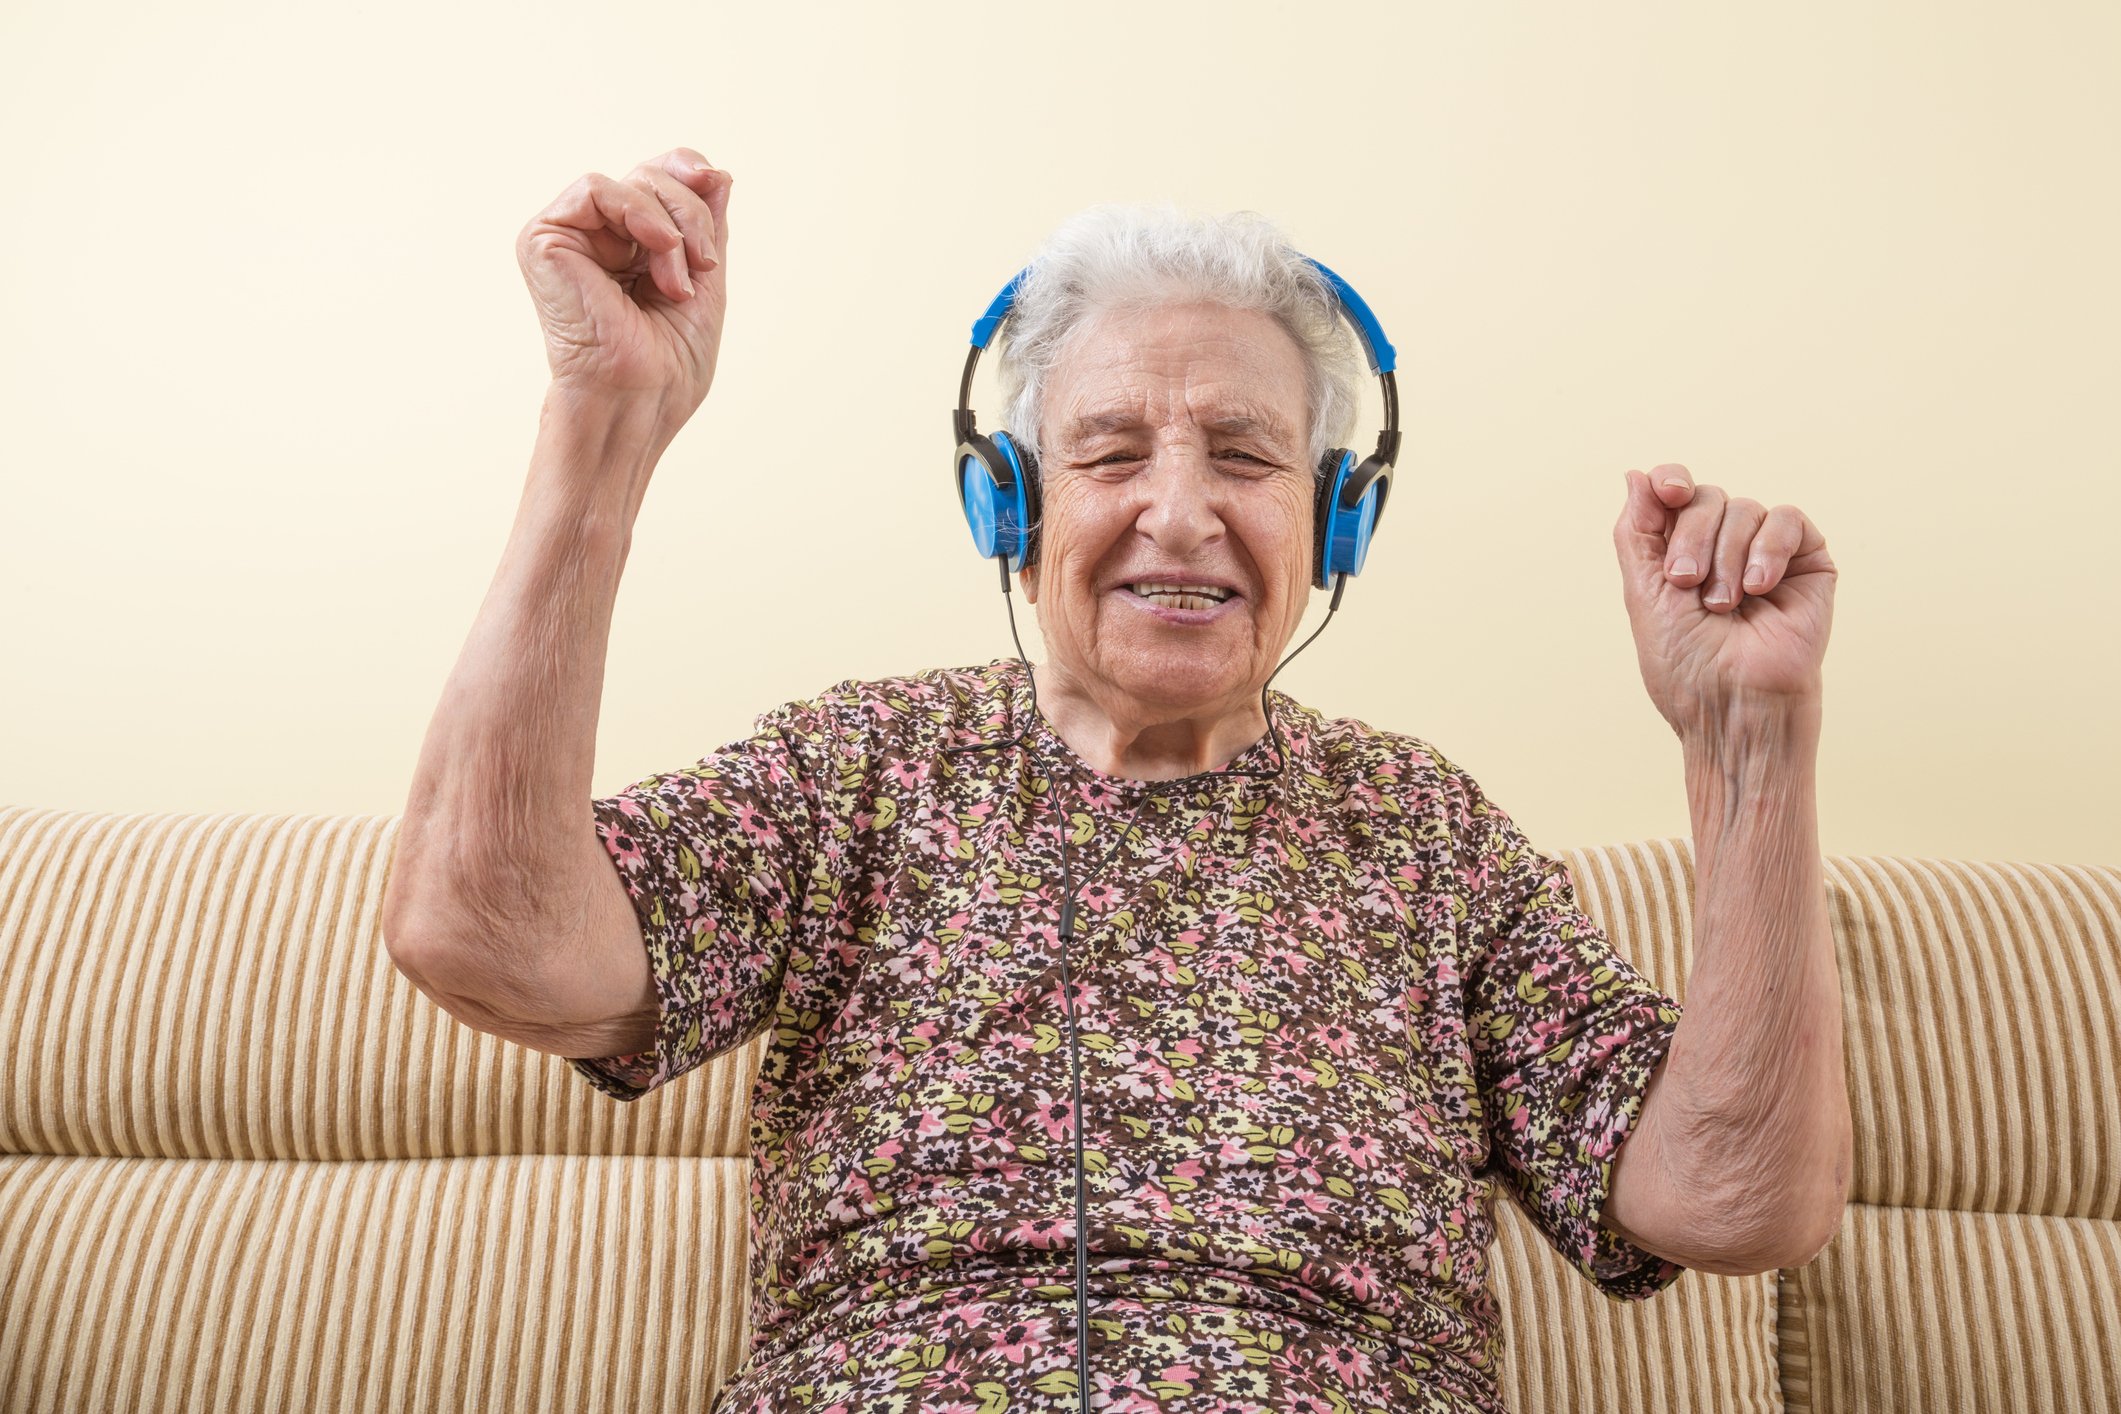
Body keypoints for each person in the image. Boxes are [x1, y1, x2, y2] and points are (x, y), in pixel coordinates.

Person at [383, 146, 1852, 1414]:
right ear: (1005, 503)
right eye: (1106, 452)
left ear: (1334, 518)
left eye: (1242, 453)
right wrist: (604, 422)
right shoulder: (861, 769)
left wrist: (1749, 744)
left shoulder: (1424, 831)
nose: (1178, 509)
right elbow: (483, 933)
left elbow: (1731, 1201)